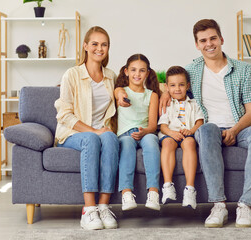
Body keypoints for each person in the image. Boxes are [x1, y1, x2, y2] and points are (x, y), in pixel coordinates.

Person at [160, 19, 251, 228]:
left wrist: (235, 129)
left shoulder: (245, 70)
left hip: (243, 128)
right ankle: (218, 205)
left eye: (212, 38)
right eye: (203, 40)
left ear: (221, 39)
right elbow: (172, 82)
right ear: (196, 44)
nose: (209, 44)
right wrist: (165, 91)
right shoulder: (191, 70)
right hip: (209, 129)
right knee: (207, 128)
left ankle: (245, 205)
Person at [55, 26, 119, 230]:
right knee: (93, 138)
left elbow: (131, 92)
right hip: (73, 134)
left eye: (104, 44)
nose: (99, 48)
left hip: (102, 133)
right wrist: (93, 131)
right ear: (85, 46)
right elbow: (64, 114)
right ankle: (89, 210)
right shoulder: (72, 74)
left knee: (110, 138)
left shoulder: (111, 76)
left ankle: (103, 206)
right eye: (95, 44)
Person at [114, 54, 161, 211]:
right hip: (126, 134)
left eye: (142, 71)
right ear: (126, 71)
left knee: (151, 142)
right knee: (126, 144)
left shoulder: (152, 95)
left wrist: (145, 131)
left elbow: (153, 125)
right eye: (133, 70)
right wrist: (121, 98)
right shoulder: (121, 90)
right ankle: (126, 193)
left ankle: (153, 192)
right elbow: (119, 95)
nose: (137, 74)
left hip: (145, 132)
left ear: (147, 73)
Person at [158, 66, 204, 209]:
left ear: (187, 86)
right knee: (167, 144)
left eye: (181, 85)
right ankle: (167, 185)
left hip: (187, 134)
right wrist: (171, 133)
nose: (177, 89)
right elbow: (163, 126)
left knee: (190, 143)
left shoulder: (194, 103)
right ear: (166, 87)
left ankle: (190, 189)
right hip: (169, 134)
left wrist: (191, 131)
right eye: (172, 85)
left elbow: (200, 121)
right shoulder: (167, 104)